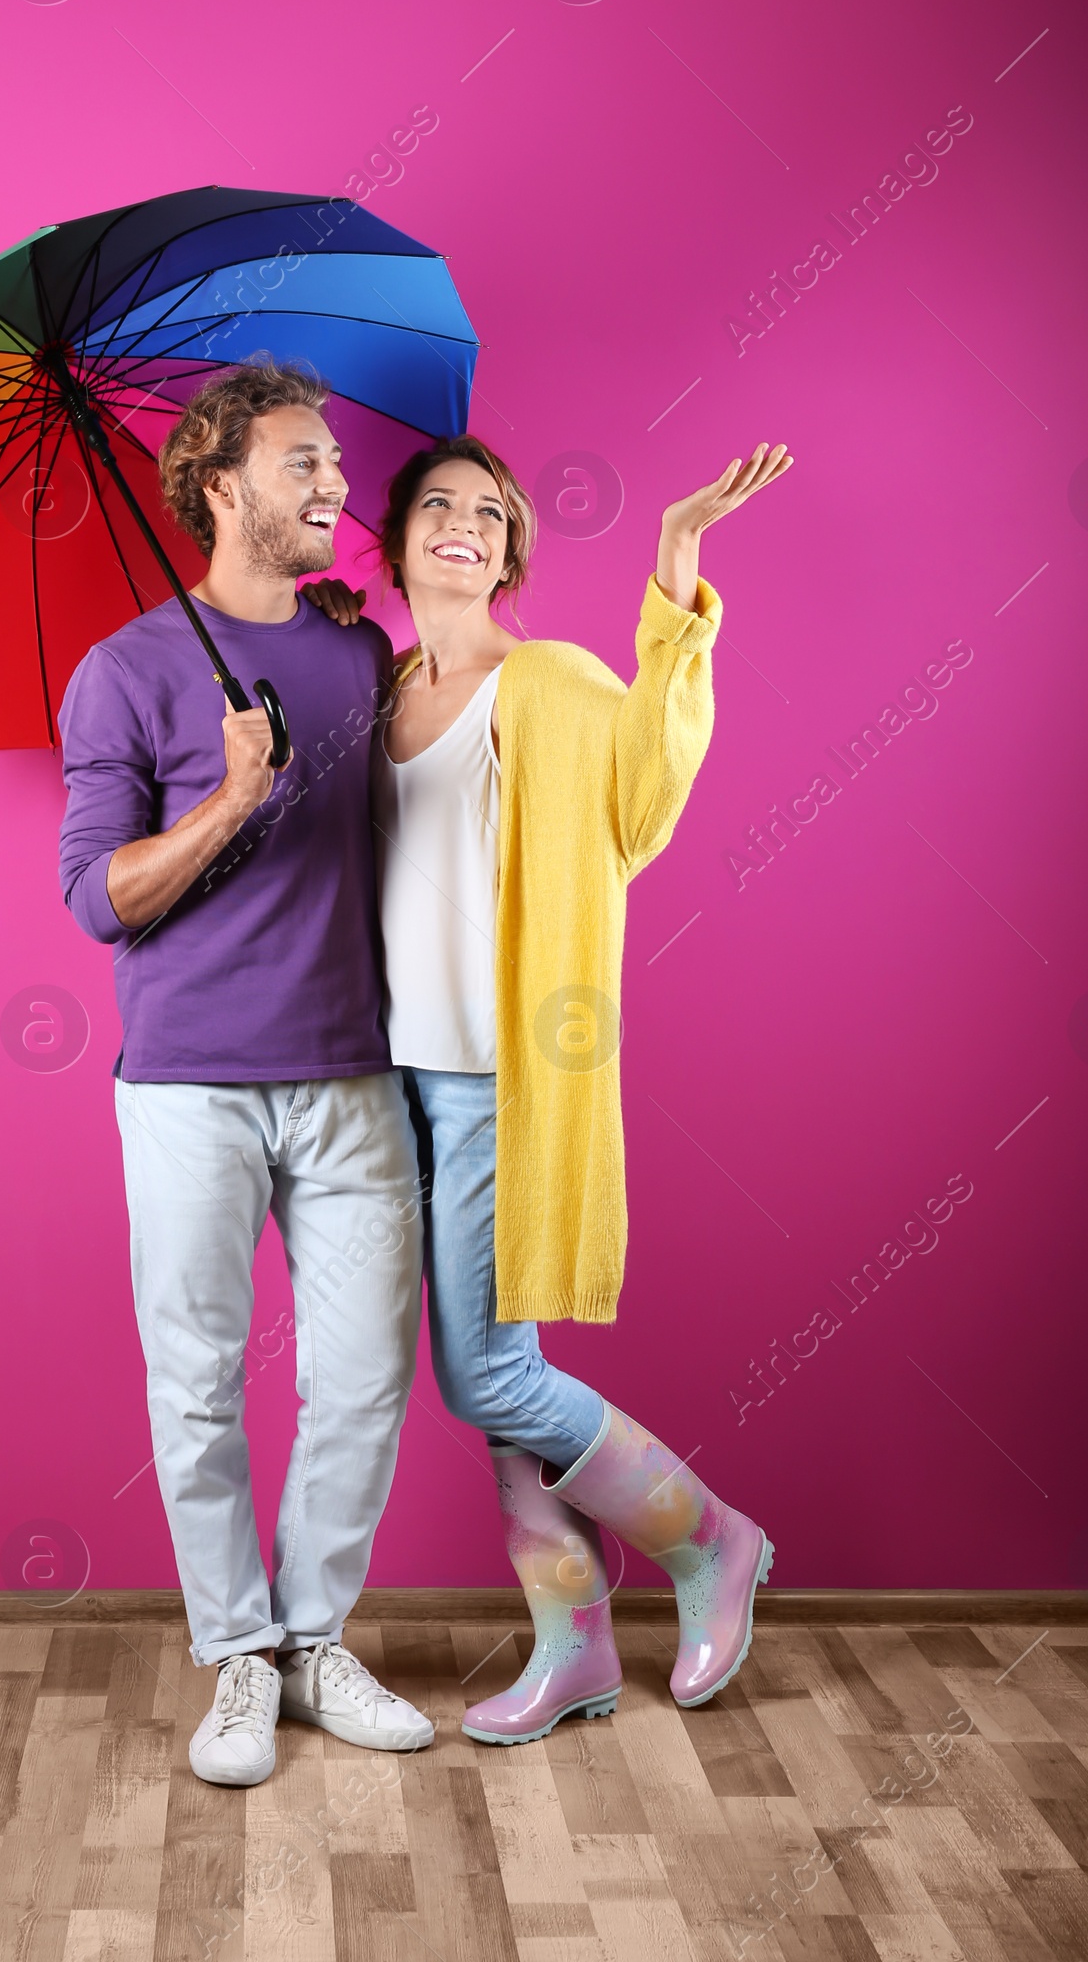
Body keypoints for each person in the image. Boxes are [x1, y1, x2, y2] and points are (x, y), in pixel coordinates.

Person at [307, 430, 792, 1741]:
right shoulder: (381, 687)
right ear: (397, 540)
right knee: (492, 1370)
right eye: (439, 510)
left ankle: (710, 1542)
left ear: (510, 552)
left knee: (488, 1380)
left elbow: (645, 789)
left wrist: (678, 574)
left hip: (492, 1080)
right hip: (386, 1081)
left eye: (489, 515)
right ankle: (574, 1644)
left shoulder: (550, 681)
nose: (463, 526)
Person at [56, 360, 435, 1788]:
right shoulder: (127, 671)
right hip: (190, 1089)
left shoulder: (356, 650)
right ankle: (235, 1655)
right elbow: (100, 899)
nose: (335, 483)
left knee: (361, 1380)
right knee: (198, 1384)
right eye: (304, 463)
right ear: (222, 488)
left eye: (333, 461)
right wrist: (228, 798)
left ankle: (313, 1639)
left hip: (352, 1076)